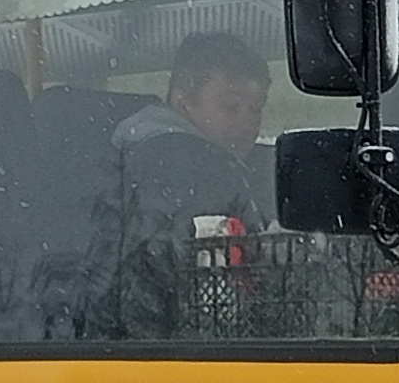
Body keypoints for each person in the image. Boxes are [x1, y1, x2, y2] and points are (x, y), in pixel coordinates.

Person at [85, 33, 271, 338]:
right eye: (231, 107)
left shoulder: (130, 156)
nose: (247, 122)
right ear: (183, 103)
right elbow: (191, 286)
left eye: (256, 109)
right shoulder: (191, 168)